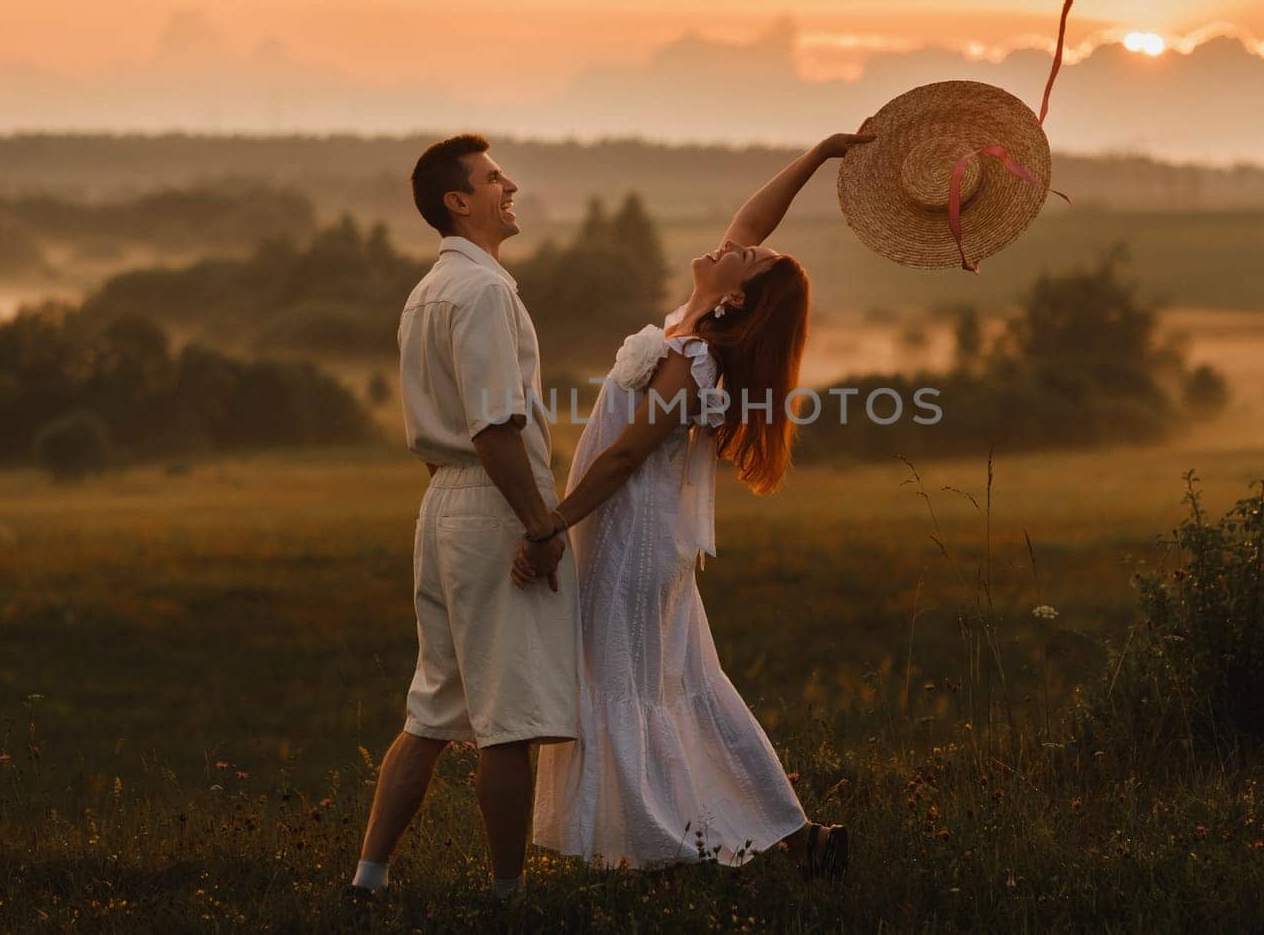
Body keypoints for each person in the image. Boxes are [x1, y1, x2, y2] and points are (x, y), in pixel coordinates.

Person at [526, 130, 873, 877]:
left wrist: (551, 520)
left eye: (740, 257)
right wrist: (820, 156)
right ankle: (792, 835)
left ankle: (660, 847)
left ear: (738, 294)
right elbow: (754, 220)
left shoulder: (695, 360)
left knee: (629, 685)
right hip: (639, 540)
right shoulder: (693, 321)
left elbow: (622, 458)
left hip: (631, 546)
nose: (731, 244)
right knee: (679, 688)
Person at [348, 134, 580, 904]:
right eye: (492, 178)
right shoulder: (483, 292)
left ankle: (368, 881)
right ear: (459, 200)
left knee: (434, 705)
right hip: (489, 500)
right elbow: (493, 427)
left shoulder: (427, 292)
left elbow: (443, 428)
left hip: (443, 502)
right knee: (506, 719)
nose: (508, 185)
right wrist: (540, 526)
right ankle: (509, 895)